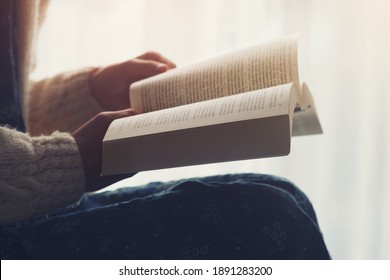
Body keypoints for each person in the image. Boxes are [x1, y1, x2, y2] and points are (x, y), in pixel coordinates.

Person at [0, 0, 331, 259]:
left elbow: (11, 111)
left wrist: (90, 92)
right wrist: (72, 160)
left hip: (30, 210)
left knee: (284, 195)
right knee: (269, 217)